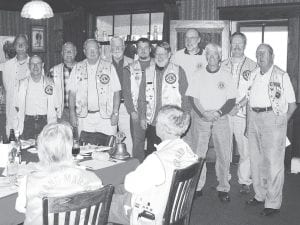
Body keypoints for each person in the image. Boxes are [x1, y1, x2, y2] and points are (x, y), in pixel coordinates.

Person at [108, 105, 198, 225]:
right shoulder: (188, 152)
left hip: (150, 214)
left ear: (163, 127)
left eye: (157, 122)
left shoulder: (157, 159)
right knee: (117, 188)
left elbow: (131, 184)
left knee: (98, 204)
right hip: (170, 207)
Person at [15, 123, 102, 225]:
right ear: (70, 147)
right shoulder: (94, 179)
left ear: (41, 148)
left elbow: (20, 209)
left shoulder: (28, 181)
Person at [246, 43, 297, 216]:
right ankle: (260, 194)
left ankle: (273, 203)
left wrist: (281, 122)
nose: (260, 56)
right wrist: (248, 123)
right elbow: (248, 99)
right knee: (255, 161)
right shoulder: (253, 75)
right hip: (253, 118)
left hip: (273, 119)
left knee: (273, 164)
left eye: (264, 53)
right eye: (258, 53)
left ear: (272, 56)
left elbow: (292, 105)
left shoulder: (282, 76)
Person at [186, 43, 237, 202]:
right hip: (201, 119)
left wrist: (218, 112)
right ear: (206, 56)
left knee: (223, 154)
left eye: (215, 55)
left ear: (219, 57)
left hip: (221, 118)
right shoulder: (198, 74)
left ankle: (223, 187)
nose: (212, 57)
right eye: (209, 55)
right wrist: (204, 113)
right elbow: (192, 98)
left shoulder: (227, 75)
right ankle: (198, 187)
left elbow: (231, 99)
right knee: (198, 155)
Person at [138, 41, 190, 156]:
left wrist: (185, 119)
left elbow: (186, 97)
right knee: (152, 155)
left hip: (172, 124)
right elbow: (141, 97)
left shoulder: (178, 70)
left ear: (169, 54)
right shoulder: (148, 71)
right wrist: (142, 117)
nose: (160, 57)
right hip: (153, 122)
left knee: (171, 156)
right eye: (157, 54)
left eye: (163, 54)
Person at [222, 32, 257, 194]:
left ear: (245, 45)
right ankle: (224, 178)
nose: (236, 46)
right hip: (224, 113)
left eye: (240, 43)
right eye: (234, 43)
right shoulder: (222, 64)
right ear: (230, 44)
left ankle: (244, 180)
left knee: (245, 148)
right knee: (224, 147)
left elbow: (253, 91)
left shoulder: (253, 66)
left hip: (243, 113)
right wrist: (226, 107)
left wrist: (238, 105)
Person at [69, 39, 121, 145]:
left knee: (108, 148)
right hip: (84, 118)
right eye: (89, 49)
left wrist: (115, 113)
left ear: (99, 50)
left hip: (106, 118)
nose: (92, 52)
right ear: (84, 51)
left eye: (95, 49)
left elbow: (116, 92)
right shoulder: (77, 68)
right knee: (85, 149)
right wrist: (72, 113)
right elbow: (72, 93)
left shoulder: (109, 67)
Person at [123, 37, 154, 162]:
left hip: (154, 111)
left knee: (154, 143)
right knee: (138, 143)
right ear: (137, 50)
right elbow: (126, 92)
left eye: (146, 47)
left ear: (150, 49)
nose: (143, 50)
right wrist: (132, 111)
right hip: (136, 111)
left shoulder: (158, 65)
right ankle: (138, 169)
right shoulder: (129, 68)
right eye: (140, 48)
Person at [14, 55, 57, 139]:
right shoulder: (21, 84)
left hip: (45, 122)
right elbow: (16, 107)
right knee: (25, 148)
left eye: (38, 63)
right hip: (27, 122)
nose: (35, 66)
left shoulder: (50, 84)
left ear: (43, 65)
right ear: (28, 66)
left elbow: (56, 106)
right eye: (32, 64)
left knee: (45, 149)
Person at [2, 34, 30, 137]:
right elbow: (7, 87)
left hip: (28, 109)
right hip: (12, 108)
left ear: (27, 46)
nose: (21, 46)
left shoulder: (34, 63)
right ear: (14, 47)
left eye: (23, 44)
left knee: (27, 140)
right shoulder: (7, 65)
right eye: (18, 44)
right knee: (12, 138)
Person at [110, 37, 133, 154]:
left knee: (127, 138)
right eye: (114, 47)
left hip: (125, 106)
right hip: (109, 106)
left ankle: (128, 166)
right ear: (110, 48)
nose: (117, 49)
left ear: (124, 48)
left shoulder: (132, 63)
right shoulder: (104, 64)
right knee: (109, 137)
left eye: (119, 46)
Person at [49, 42, 77, 124]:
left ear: (75, 53)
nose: (68, 53)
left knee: (80, 136)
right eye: (65, 51)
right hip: (62, 112)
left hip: (80, 111)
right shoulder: (53, 71)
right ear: (62, 53)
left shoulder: (83, 69)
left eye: (71, 51)